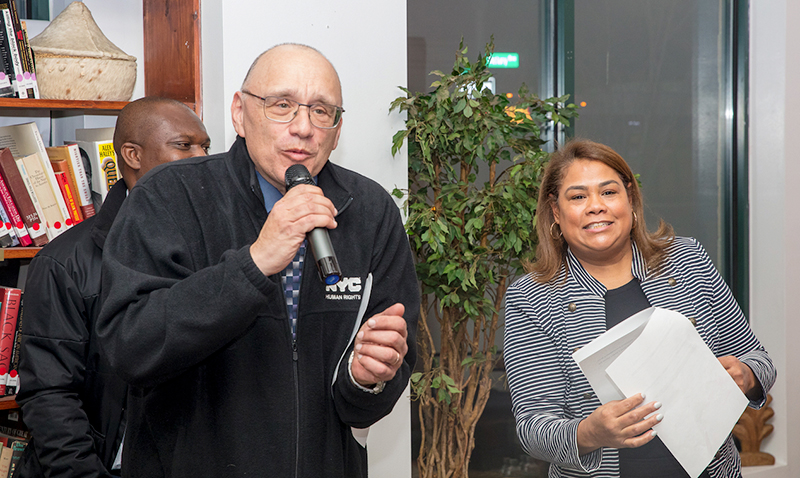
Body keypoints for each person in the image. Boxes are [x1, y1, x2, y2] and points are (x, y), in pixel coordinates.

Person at [96, 43, 420, 478]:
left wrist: (365, 378)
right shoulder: (169, 196)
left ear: (337, 131)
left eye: (322, 111)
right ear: (239, 113)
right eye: (282, 105)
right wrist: (254, 263)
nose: (304, 127)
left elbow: (383, 377)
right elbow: (131, 346)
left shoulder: (370, 210)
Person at [502, 139, 776, 478]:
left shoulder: (687, 261)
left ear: (629, 199)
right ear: (556, 212)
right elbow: (533, 427)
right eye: (577, 196)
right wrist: (589, 432)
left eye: (608, 192)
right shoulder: (530, 298)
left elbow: (758, 359)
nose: (595, 206)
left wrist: (746, 375)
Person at [16, 97, 210, 478]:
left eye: (206, 146)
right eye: (184, 145)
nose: (202, 158)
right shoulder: (65, 262)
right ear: (133, 155)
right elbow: (50, 396)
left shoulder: (217, 252)